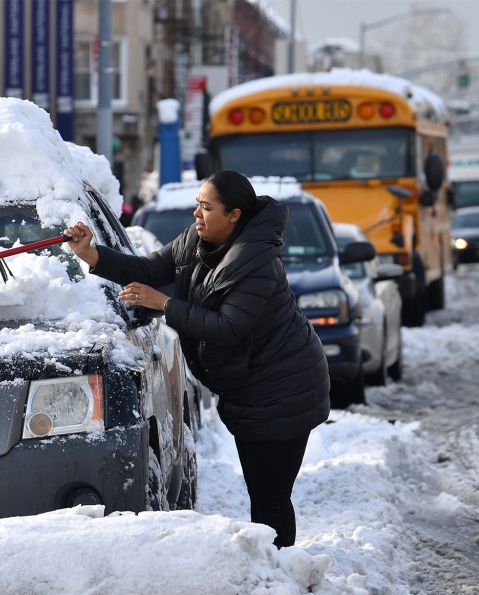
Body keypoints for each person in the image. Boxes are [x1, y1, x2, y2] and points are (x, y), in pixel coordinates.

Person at [63, 171, 330, 548]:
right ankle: (276, 571)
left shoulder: (256, 263)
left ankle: (284, 574)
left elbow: (227, 328)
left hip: (286, 388)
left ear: (234, 215)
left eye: (206, 207)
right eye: (197, 205)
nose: (197, 215)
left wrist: (165, 303)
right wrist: (89, 252)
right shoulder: (198, 240)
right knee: (262, 494)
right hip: (251, 388)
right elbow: (148, 269)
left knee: (271, 498)